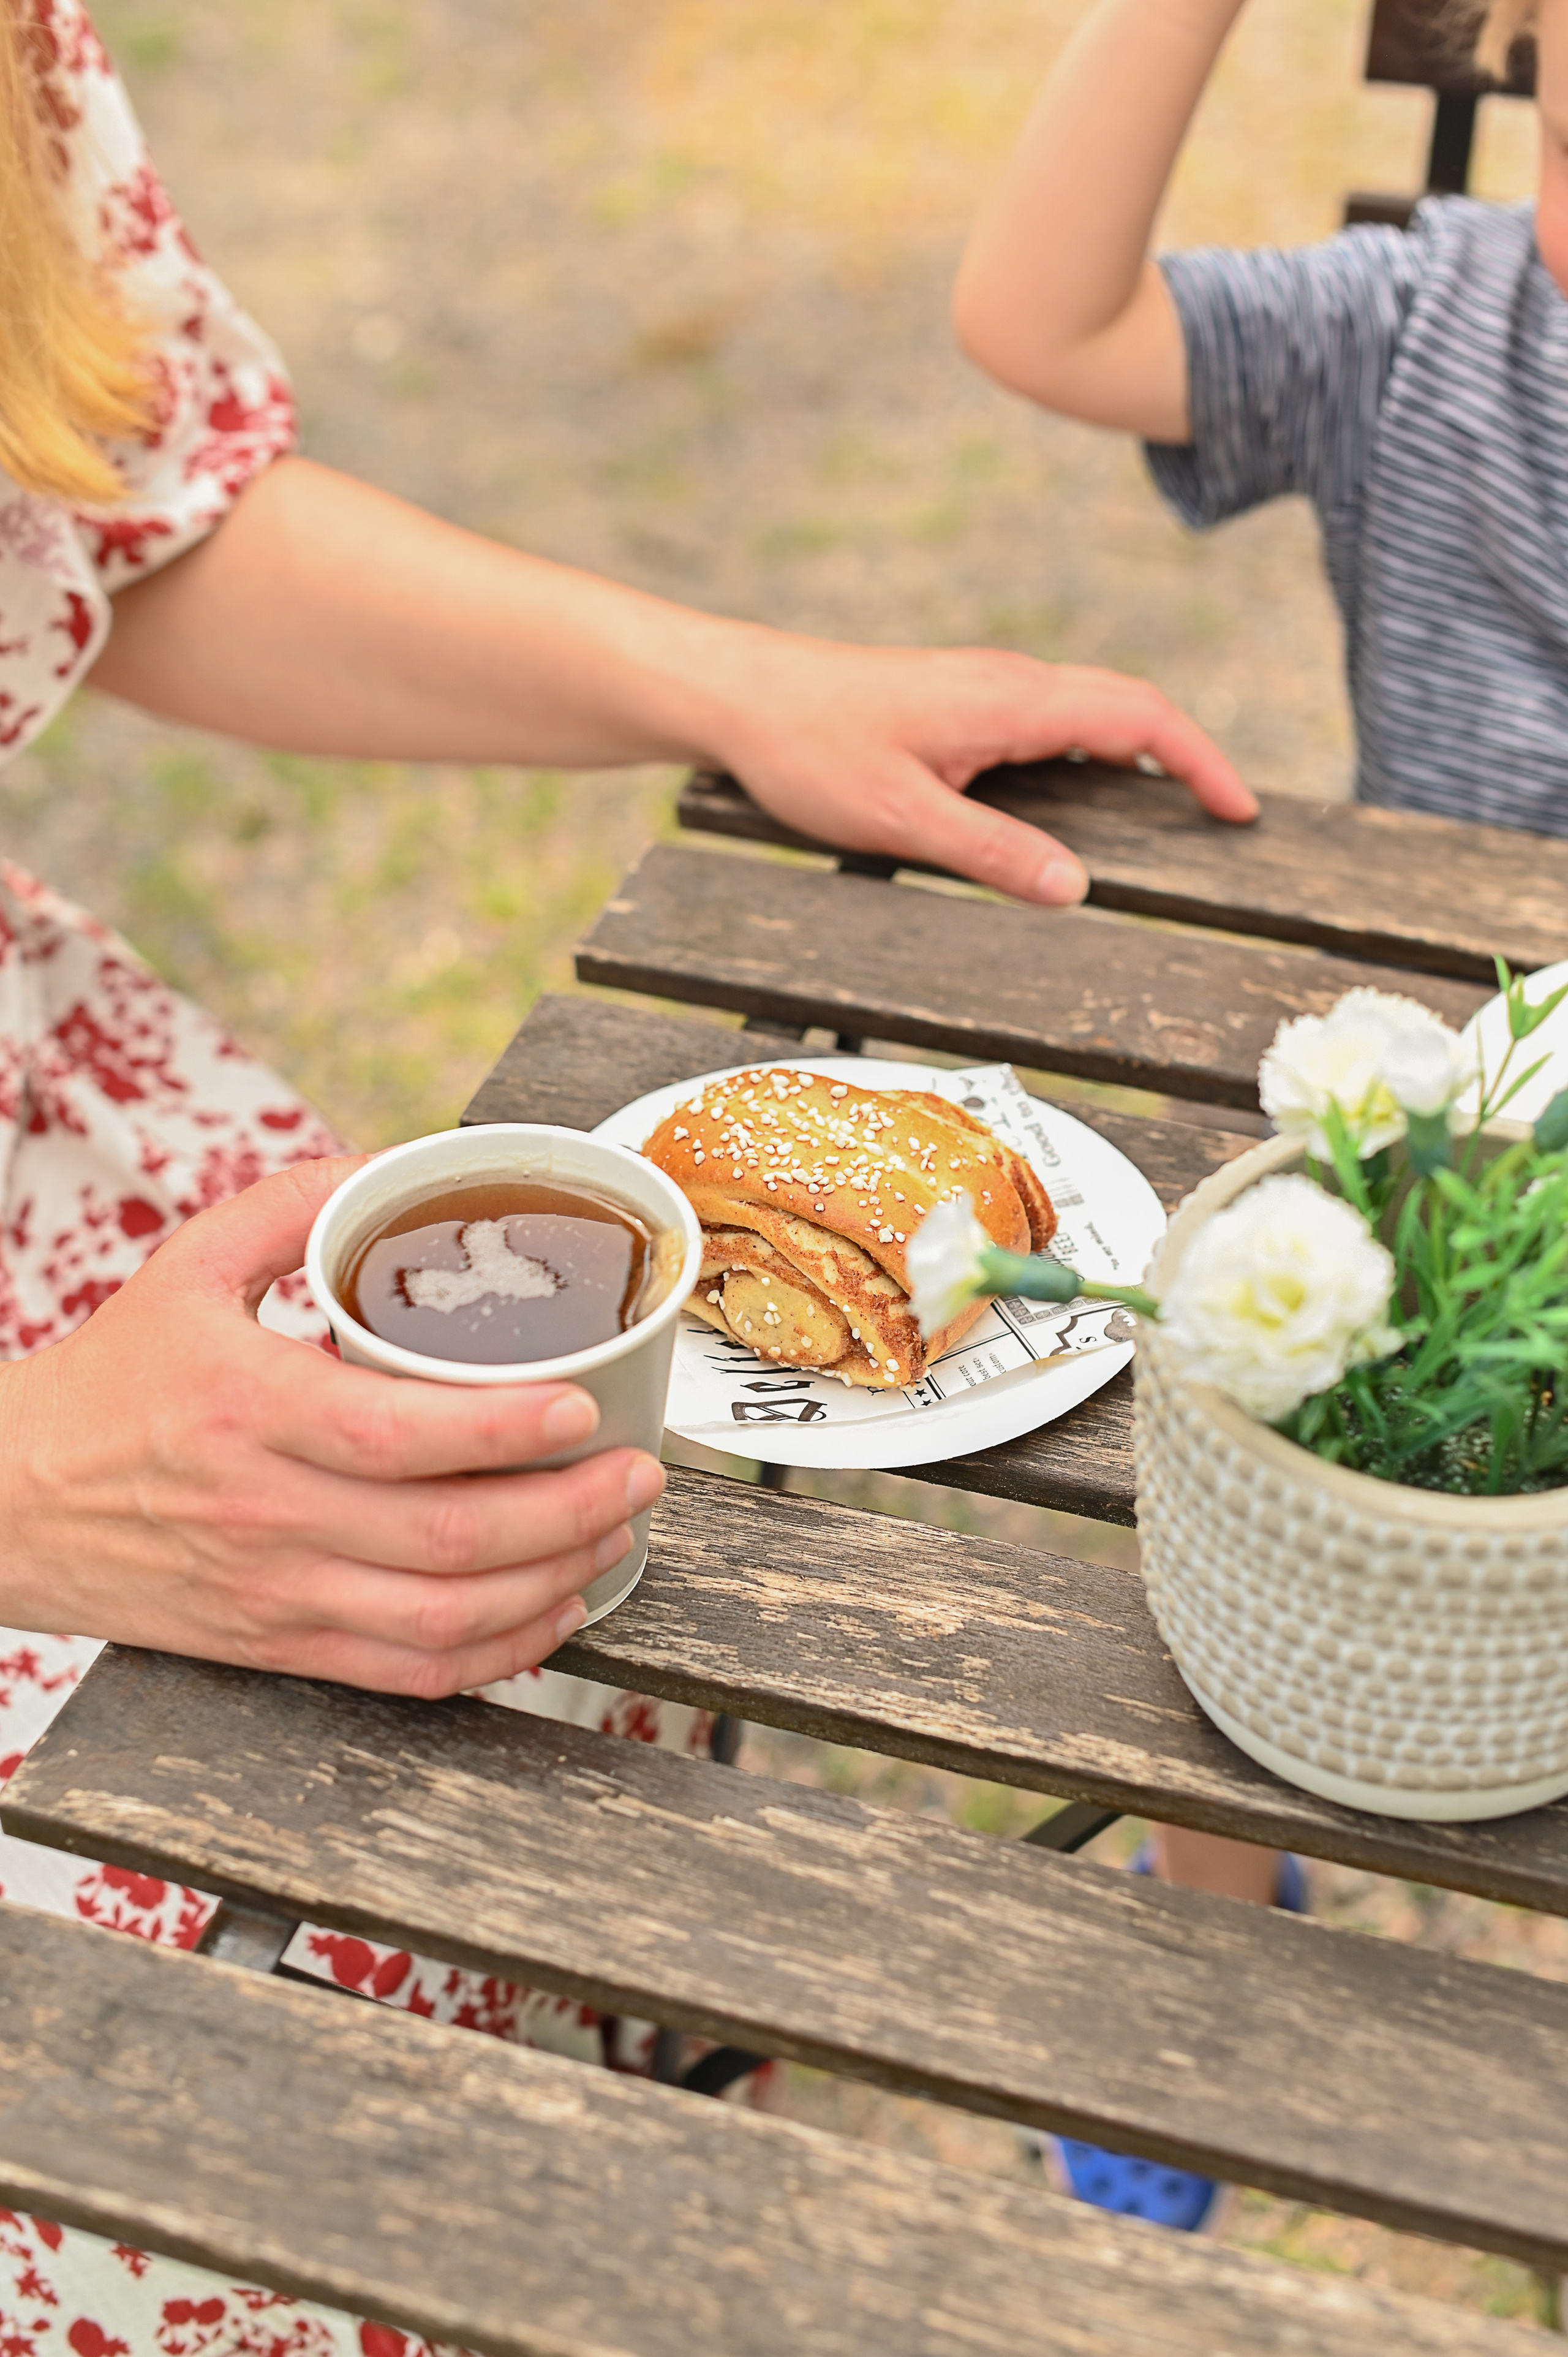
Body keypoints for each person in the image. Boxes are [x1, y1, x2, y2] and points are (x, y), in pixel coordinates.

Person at [0, 4, 1256, 2347]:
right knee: (187, 2082)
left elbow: (113, 511)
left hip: (54, 1148)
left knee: (590, 1583)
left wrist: (727, 678)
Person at [949, 0, 1557, 2231]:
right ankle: (1212, 1928)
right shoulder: (1428, 325)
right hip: (1414, 1139)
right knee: (1226, 1422)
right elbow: (1039, 313)